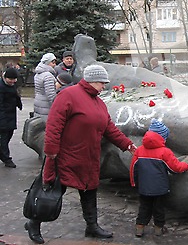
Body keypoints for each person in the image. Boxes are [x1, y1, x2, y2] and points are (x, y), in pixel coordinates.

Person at [25, 65, 137, 244]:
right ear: (92, 81)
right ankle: (34, 223)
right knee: (52, 191)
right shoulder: (68, 95)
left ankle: (91, 226)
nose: (104, 87)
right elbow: (54, 126)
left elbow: (109, 128)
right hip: (65, 157)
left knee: (89, 190)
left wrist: (127, 145)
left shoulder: (98, 102)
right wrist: (51, 152)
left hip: (89, 157)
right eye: (102, 83)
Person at [130, 119, 188, 237]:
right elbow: (175, 168)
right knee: (159, 209)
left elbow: (133, 169)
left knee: (144, 207)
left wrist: (134, 183)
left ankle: (139, 228)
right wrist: (186, 166)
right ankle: (158, 228)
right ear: (162, 138)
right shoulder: (165, 152)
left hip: (144, 188)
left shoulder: (139, 151)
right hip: (160, 188)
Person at [0, 68, 22, 168]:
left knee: (9, 134)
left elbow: (15, 94)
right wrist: (2, 120)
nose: (12, 81)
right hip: (3, 114)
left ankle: (2, 154)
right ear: (5, 78)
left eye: (14, 79)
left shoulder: (12, 85)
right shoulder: (1, 86)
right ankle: (6, 158)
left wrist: (19, 103)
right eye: (10, 79)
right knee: (4, 137)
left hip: (11, 113)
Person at [33, 53, 57, 117]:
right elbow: (51, 95)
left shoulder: (38, 74)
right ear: (47, 62)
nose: (55, 65)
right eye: (53, 63)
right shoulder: (48, 76)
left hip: (38, 102)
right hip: (46, 105)